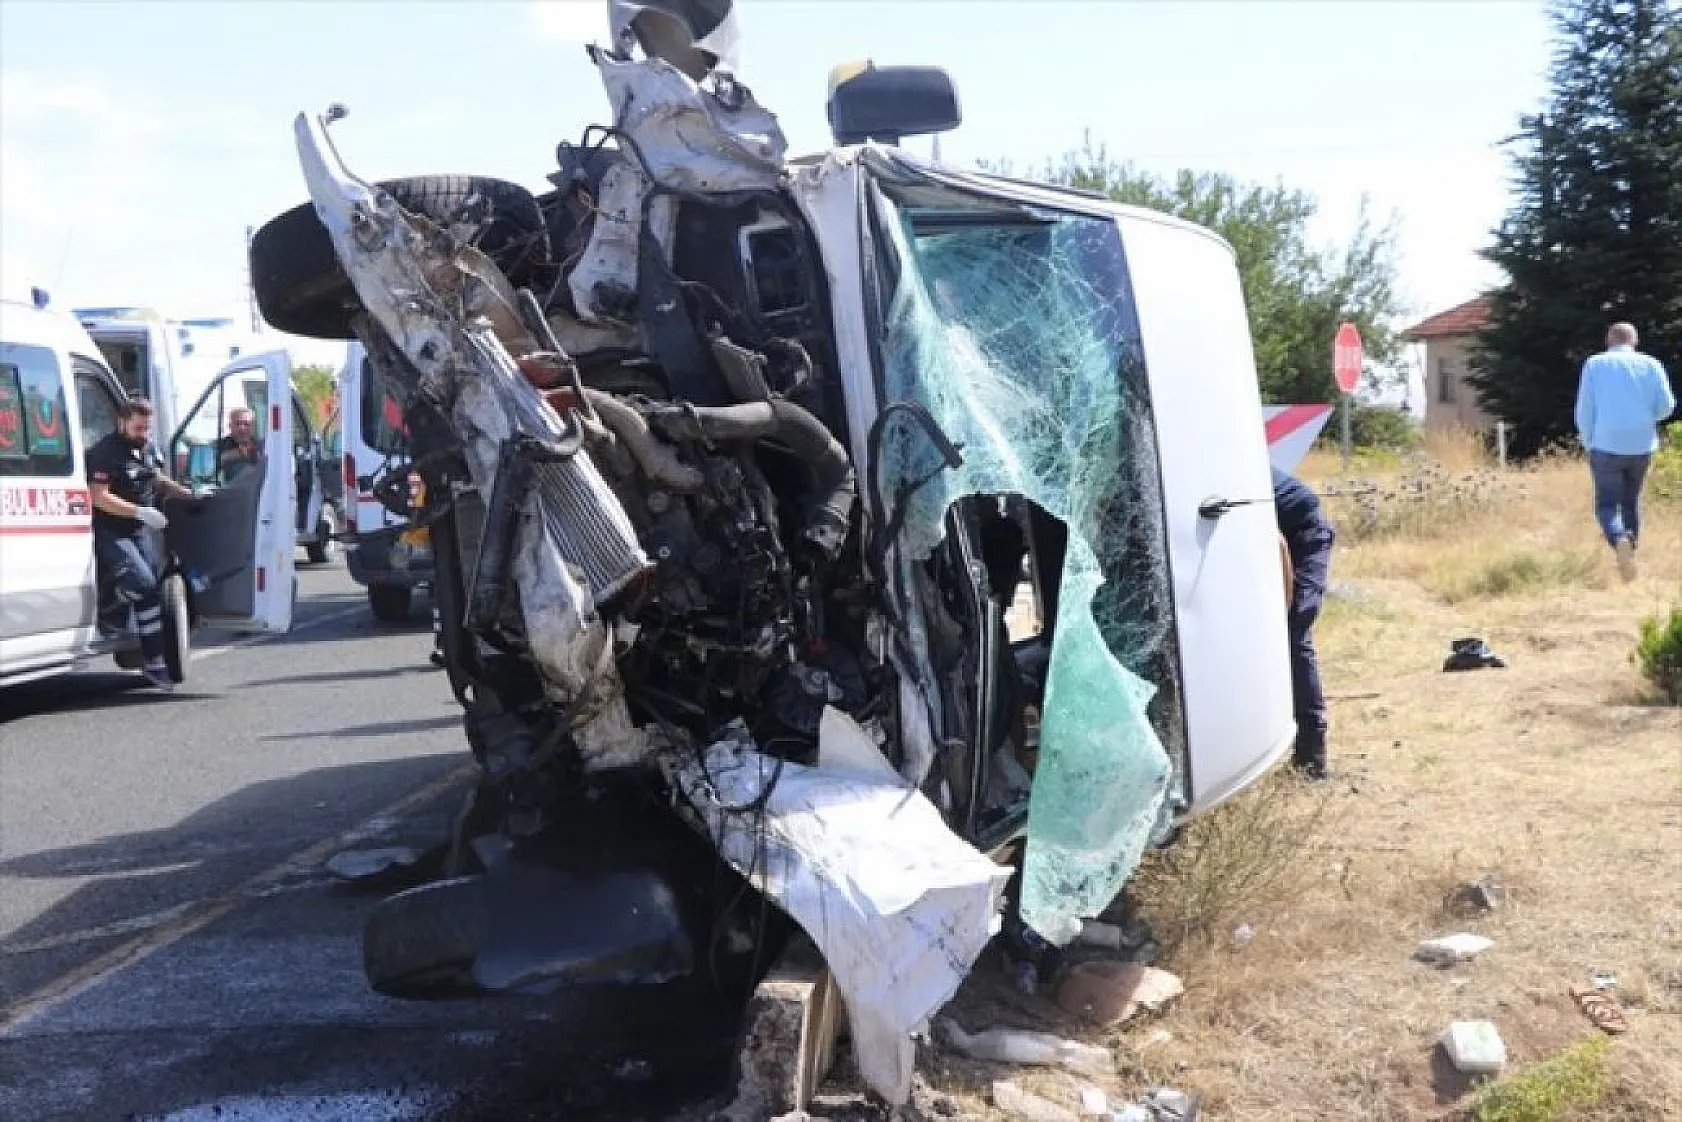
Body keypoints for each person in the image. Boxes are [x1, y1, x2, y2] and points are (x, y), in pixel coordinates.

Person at [87, 398, 199, 689]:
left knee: (150, 586)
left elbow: (156, 478)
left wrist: (186, 494)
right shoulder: (105, 453)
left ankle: (119, 618)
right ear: (121, 422)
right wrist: (139, 511)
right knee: (144, 587)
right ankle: (154, 662)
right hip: (113, 530)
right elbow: (98, 496)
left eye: (148, 428)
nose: (144, 434)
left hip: (140, 531)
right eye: (139, 428)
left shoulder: (145, 448)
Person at [1574, 322, 1676, 582]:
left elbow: (1585, 409)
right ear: (1635, 341)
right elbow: (1666, 407)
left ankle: (1619, 538)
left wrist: (1589, 441)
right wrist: (1644, 415)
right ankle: (1630, 555)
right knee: (1631, 501)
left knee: (1607, 504)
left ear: (1609, 340)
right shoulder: (1652, 365)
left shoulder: (1595, 364)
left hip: (1606, 444)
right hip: (1642, 444)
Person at [1273, 466, 1335, 779]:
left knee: (1293, 634)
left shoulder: (1233, 475)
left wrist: (1283, 611)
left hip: (1304, 536)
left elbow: (1278, 544)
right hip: (1282, 537)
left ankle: (1312, 752)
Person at [216, 406, 262, 482]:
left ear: (253, 426)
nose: (242, 428)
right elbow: (208, 473)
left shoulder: (261, 447)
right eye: (238, 424)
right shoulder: (218, 446)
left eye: (246, 424)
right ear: (230, 426)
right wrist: (226, 458)